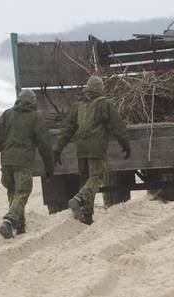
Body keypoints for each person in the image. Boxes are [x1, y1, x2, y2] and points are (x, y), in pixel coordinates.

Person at [53, 75, 131, 225]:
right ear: (100, 89)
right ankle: (79, 199)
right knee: (96, 177)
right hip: (96, 149)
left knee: (85, 180)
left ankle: (87, 215)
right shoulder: (105, 104)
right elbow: (117, 126)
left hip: (81, 150)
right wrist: (125, 144)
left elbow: (67, 129)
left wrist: (57, 148)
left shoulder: (79, 105)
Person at [0, 89, 54, 239]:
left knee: (12, 192)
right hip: (23, 163)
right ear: (33, 102)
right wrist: (49, 166)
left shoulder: (7, 114)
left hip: (7, 162)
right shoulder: (36, 117)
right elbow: (44, 144)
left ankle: (19, 226)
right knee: (22, 192)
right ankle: (9, 221)